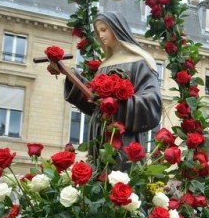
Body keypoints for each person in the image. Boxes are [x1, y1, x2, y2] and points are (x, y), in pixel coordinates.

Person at [58, 11, 162, 148]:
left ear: (116, 29)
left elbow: (152, 101)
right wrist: (73, 78)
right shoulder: (104, 65)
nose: (100, 35)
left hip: (124, 137)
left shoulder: (139, 61)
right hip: (99, 134)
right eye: (98, 32)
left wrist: (117, 104)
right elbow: (93, 100)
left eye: (104, 30)